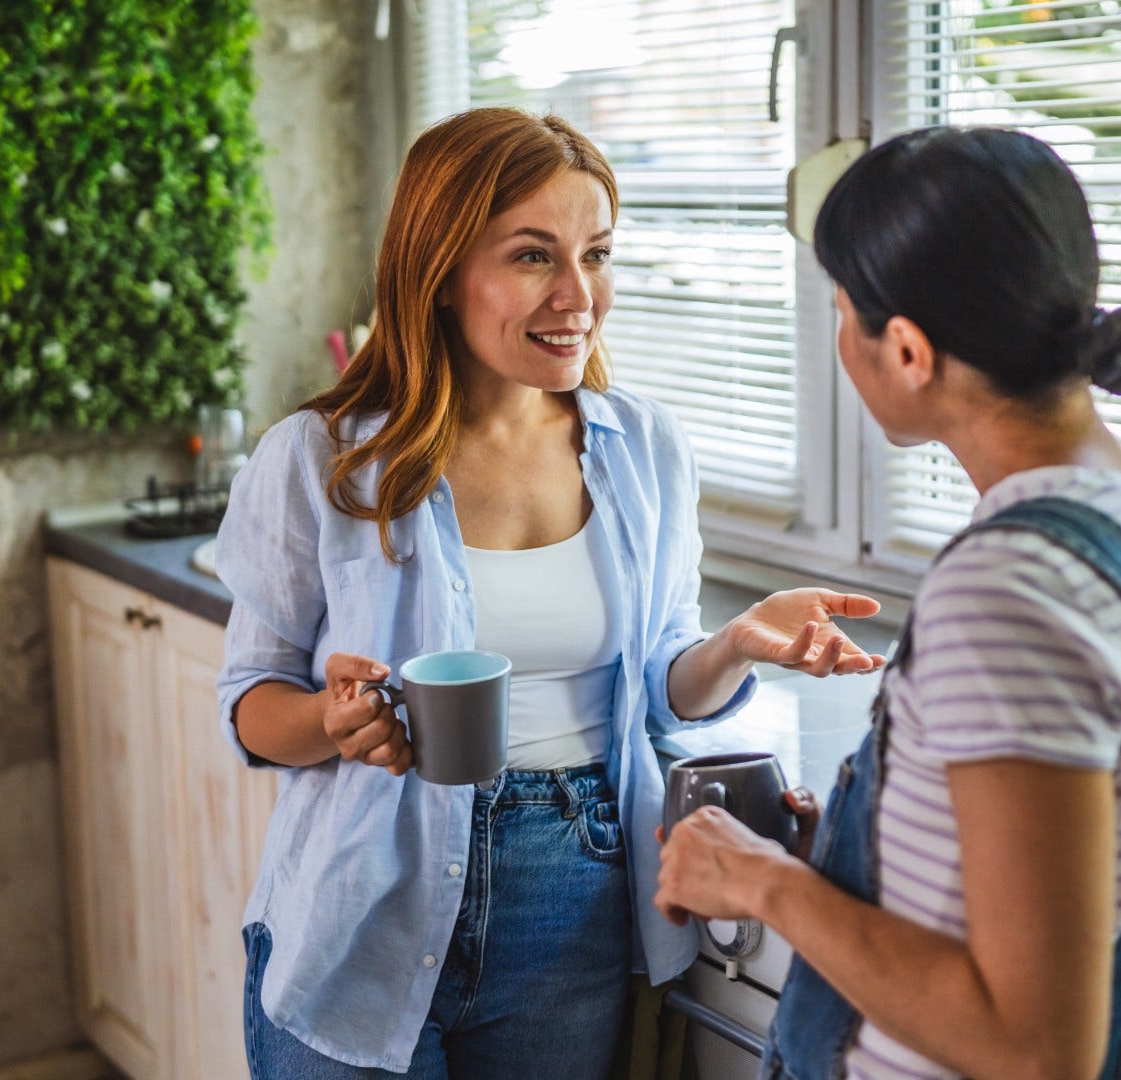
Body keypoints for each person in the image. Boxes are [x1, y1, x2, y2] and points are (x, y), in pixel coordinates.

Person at [212, 107, 885, 1080]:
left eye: (597, 254)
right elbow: (251, 705)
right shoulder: (324, 460)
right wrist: (332, 717)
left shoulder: (644, 448)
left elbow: (657, 687)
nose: (580, 295)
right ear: (439, 271)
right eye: (534, 256)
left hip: (575, 904)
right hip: (363, 899)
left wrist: (737, 642)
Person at [654, 126, 1121, 1080]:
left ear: (908, 350)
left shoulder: (1009, 592)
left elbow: (1036, 1047)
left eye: (842, 309)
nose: (837, 337)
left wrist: (766, 884)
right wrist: (847, 856)